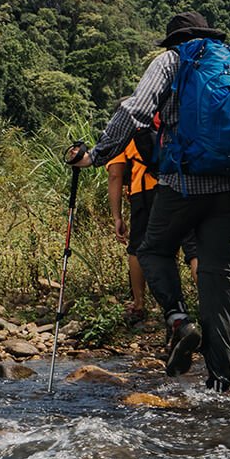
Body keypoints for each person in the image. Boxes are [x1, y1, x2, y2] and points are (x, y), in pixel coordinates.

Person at [67, 11, 230, 392]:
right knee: (220, 278)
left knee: (152, 249)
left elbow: (135, 110)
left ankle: (180, 320)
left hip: (183, 183)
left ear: (173, 39)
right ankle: (220, 383)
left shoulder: (171, 60)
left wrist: (95, 154)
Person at [106, 133, 156, 321]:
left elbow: (115, 174)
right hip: (173, 188)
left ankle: (139, 303)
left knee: (137, 248)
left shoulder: (123, 134)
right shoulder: (161, 121)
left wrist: (117, 216)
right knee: (168, 245)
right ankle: (173, 304)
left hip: (143, 191)